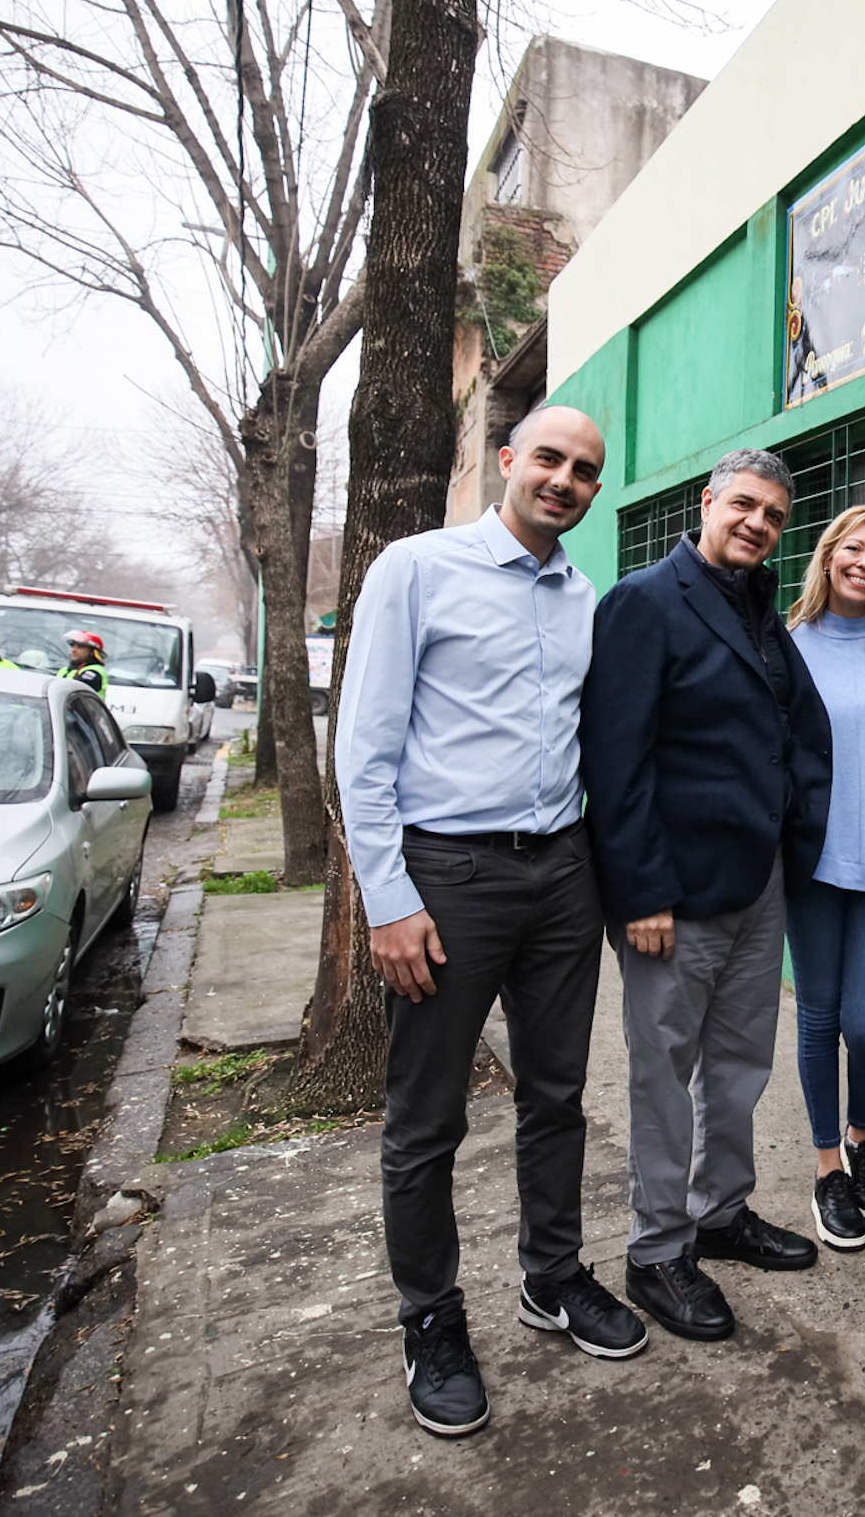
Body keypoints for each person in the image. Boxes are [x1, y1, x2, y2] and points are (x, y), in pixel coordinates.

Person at [335, 405, 639, 1440]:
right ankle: (430, 1317)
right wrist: (390, 899)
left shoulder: (581, 594)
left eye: (584, 471)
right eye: (548, 460)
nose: (564, 480)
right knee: (426, 1122)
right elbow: (362, 750)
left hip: (562, 871)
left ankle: (551, 1276)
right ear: (506, 462)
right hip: (448, 876)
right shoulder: (416, 571)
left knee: (556, 1098)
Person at [582, 448, 832, 1343]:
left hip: (756, 886)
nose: (758, 523)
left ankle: (720, 1213)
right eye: (744, 505)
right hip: (670, 897)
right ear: (707, 501)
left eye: (773, 513)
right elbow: (616, 760)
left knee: (739, 1068)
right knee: (663, 1076)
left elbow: (791, 732)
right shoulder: (646, 602)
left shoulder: (765, 610)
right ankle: (656, 1251)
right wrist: (640, 891)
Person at [784, 505, 865, 1251]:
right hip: (812, 865)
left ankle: (862, 1134)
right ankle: (827, 1163)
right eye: (853, 548)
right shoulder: (788, 643)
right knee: (818, 1017)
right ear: (829, 554)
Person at [58, 630, 108, 694]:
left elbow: (75, 690)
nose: (73, 650)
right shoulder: (64, 670)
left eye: (80, 647)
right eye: (73, 646)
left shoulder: (94, 672)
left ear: (92, 652)